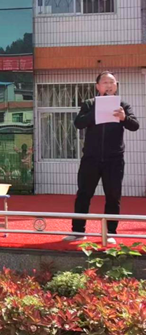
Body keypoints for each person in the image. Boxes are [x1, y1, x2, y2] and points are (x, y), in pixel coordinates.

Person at [64, 72, 139, 245]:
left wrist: (124, 118)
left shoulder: (123, 105)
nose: (109, 85)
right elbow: (78, 123)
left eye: (112, 82)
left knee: (113, 195)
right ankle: (78, 231)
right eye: (105, 82)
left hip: (114, 159)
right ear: (98, 86)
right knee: (83, 194)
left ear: (116, 86)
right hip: (91, 158)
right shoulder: (89, 104)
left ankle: (110, 232)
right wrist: (95, 112)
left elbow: (135, 125)